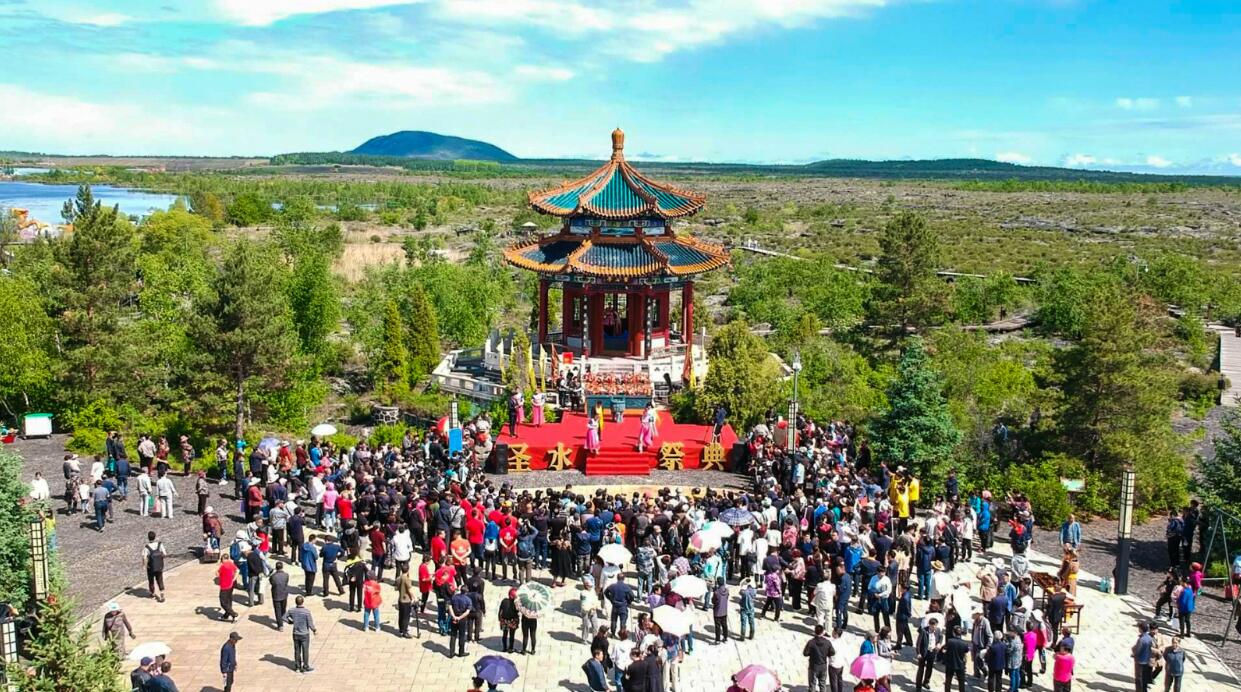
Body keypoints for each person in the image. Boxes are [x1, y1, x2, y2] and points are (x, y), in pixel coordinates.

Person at [285, 595, 317, 673]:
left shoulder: (292, 610)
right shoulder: (306, 612)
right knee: (305, 650)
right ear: (302, 602)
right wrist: (314, 630)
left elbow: (284, 617)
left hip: (296, 633)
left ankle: (297, 667)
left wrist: (290, 622)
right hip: (304, 634)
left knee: (297, 650)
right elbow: (310, 623)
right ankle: (305, 666)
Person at [803, 624, 834, 692]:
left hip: (813, 666)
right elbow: (832, 652)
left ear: (815, 632)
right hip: (823, 666)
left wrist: (812, 653)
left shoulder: (811, 642)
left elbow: (805, 653)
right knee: (822, 684)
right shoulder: (827, 642)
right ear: (822, 632)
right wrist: (826, 654)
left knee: (812, 684)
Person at [942, 625, 971, 692]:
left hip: (950, 664)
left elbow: (944, 650)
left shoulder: (950, 641)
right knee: (961, 683)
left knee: (948, 681)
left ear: (953, 633)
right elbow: (966, 653)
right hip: (960, 665)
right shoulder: (964, 643)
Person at [142, 531, 167, 602]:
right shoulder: (159, 544)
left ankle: (152, 593)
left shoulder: (147, 547)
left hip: (151, 567)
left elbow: (144, 557)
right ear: (155, 537)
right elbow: (164, 554)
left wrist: (144, 566)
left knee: (151, 580)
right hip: (159, 566)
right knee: (160, 579)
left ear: (148, 538)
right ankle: (162, 593)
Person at [449, 586, 473, 657]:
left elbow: (450, 606)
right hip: (462, 619)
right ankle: (461, 652)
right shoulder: (468, 600)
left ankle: (451, 652)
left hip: (454, 617)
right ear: (466, 591)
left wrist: (454, 616)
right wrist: (459, 618)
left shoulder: (454, 597)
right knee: (462, 635)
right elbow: (467, 611)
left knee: (453, 635)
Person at [217, 557, 239, 622]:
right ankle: (226, 615)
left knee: (223, 602)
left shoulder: (223, 566)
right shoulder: (231, 564)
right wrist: (234, 579)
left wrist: (218, 566)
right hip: (231, 584)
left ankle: (233, 614)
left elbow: (217, 574)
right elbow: (237, 570)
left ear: (223, 560)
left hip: (224, 586)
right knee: (228, 600)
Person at [270, 562, 290, 630]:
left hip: (276, 595)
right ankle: (283, 619)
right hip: (284, 594)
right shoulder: (286, 575)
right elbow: (286, 582)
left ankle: (280, 625)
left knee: (277, 610)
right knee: (283, 608)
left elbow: (271, 583)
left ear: (276, 568)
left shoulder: (273, 576)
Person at [713, 578, 730, 642]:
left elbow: (713, 601)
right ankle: (725, 637)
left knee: (717, 626)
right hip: (724, 611)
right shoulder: (727, 590)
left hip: (717, 612)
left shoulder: (716, 592)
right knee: (724, 625)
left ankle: (718, 640)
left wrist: (714, 591)